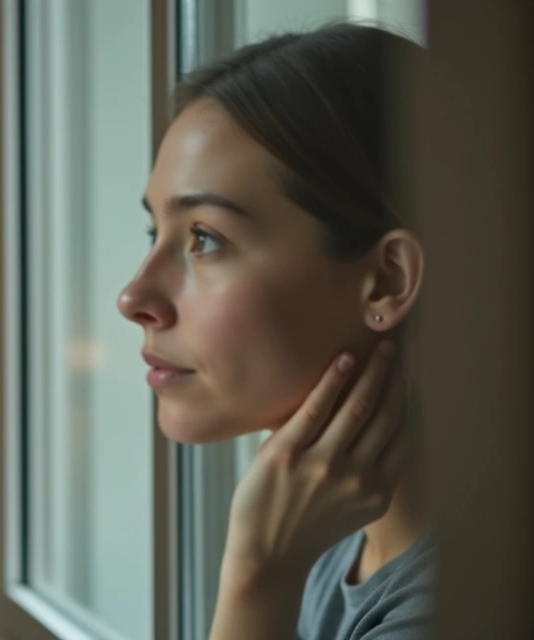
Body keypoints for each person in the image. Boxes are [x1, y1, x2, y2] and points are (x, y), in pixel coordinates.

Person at [119, 24, 432, 640]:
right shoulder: (332, 547)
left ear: (388, 281)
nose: (134, 298)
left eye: (204, 238)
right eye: (155, 234)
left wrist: (256, 576)